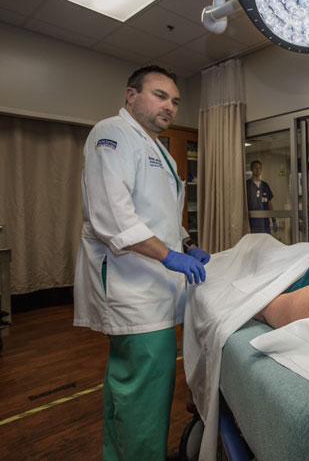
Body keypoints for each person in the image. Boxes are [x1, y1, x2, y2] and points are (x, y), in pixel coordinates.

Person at [73, 65, 211, 461]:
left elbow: (159, 215)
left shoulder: (158, 148)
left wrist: (187, 242)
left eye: (175, 100)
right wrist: (170, 256)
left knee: (131, 384)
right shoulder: (111, 134)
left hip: (154, 285)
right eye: (159, 95)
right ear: (131, 95)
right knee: (144, 391)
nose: (170, 106)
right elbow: (112, 217)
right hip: (131, 285)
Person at [247, 160, 277, 233]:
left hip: (264, 222)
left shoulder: (265, 185)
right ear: (251, 169)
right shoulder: (247, 185)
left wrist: (274, 219)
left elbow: (269, 203)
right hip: (251, 221)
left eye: (260, 168)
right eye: (255, 168)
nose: (257, 170)